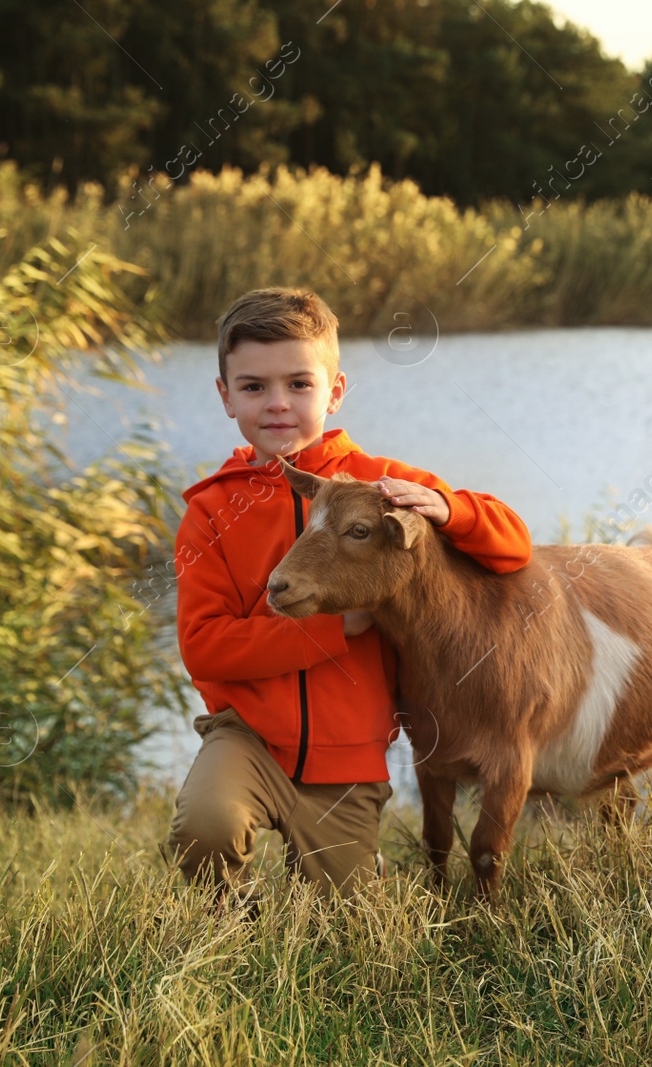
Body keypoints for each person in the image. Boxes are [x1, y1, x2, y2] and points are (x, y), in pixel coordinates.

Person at [165, 286, 531, 904]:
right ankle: (231, 929)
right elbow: (205, 648)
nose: (278, 404)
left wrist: (447, 510)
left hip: (348, 757)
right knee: (206, 827)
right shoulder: (210, 510)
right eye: (254, 387)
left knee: (347, 925)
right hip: (245, 737)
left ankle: (363, 878)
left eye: (299, 385)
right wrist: (337, 629)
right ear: (225, 396)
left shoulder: (385, 486)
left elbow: (513, 543)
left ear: (334, 390)